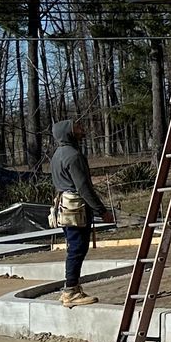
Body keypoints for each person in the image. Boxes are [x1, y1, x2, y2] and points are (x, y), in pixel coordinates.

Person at [49, 120, 110, 307]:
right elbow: (84, 188)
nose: (81, 130)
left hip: (63, 207)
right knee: (77, 248)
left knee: (74, 247)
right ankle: (71, 291)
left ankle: (72, 288)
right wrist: (101, 210)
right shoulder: (73, 156)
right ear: (68, 132)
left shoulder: (57, 155)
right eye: (76, 128)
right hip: (74, 208)